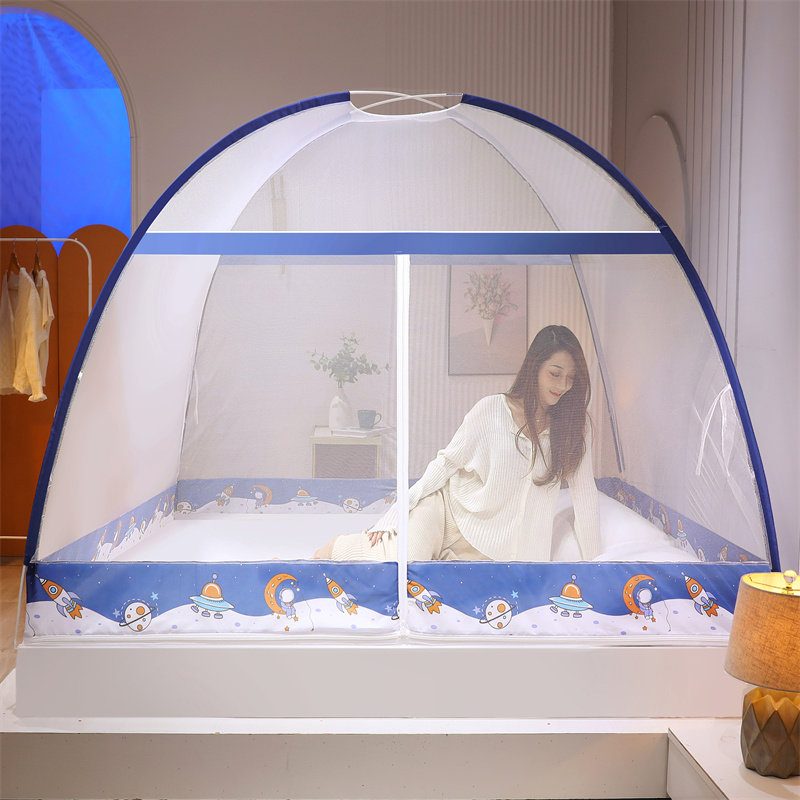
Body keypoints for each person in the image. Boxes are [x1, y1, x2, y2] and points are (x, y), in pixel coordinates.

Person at [314, 325, 601, 562]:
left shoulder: (574, 429)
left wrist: (598, 567)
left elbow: (585, 496)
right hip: (445, 515)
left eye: (571, 378)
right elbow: (446, 463)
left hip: (489, 554)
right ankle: (338, 547)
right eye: (555, 374)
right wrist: (397, 511)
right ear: (535, 368)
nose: (563, 385)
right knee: (401, 565)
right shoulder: (491, 410)